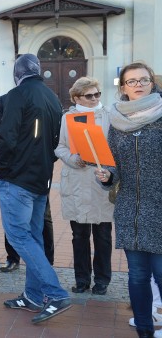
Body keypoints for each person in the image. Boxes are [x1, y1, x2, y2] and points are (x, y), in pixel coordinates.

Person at [0, 54, 70, 324]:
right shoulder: (52, 97)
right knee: (34, 237)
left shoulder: (18, 94)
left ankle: (54, 292)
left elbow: (7, 136)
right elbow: (54, 141)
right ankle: (33, 295)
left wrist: (2, 170)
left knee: (19, 236)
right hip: (41, 178)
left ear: (17, 73)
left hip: (17, 178)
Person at [96, 62, 162, 338]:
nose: (137, 85)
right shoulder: (116, 120)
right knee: (137, 276)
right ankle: (144, 329)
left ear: (152, 83)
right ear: (123, 87)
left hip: (159, 208)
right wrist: (106, 175)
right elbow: (113, 165)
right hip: (130, 209)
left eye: (142, 80)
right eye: (131, 81)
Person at [54, 77, 113, 295]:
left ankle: (102, 280)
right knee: (79, 236)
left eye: (97, 94)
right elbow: (59, 147)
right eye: (89, 95)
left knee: (103, 235)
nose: (95, 98)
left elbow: (116, 147)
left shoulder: (109, 115)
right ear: (77, 97)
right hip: (77, 182)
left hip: (101, 182)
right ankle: (81, 279)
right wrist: (72, 158)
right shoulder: (68, 118)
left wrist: (109, 168)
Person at [0, 93, 55, 272]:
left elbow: (55, 133)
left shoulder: (44, 98)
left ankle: (45, 261)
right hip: (14, 170)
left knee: (42, 220)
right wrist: (7, 130)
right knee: (14, 220)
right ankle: (13, 258)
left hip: (39, 169)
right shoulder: (4, 100)